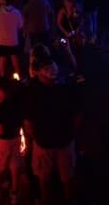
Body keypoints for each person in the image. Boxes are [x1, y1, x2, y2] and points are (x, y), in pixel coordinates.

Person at [23, 54, 82, 205]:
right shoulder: (32, 91)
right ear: (38, 72)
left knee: (67, 176)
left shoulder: (65, 88)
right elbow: (28, 121)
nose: (50, 72)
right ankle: (46, 199)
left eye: (51, 68)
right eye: (46, 69)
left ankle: (68, 199)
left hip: (63, 141)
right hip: (45, 143)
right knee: (45, 176)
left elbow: (77, 114)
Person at [0, 77, 24, 204]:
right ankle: (14, 193)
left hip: (2, 142)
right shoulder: (18, 103)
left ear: (2, 90)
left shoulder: (2, 108)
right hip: (15, 138)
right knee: (14, 165)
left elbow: (0, 130)